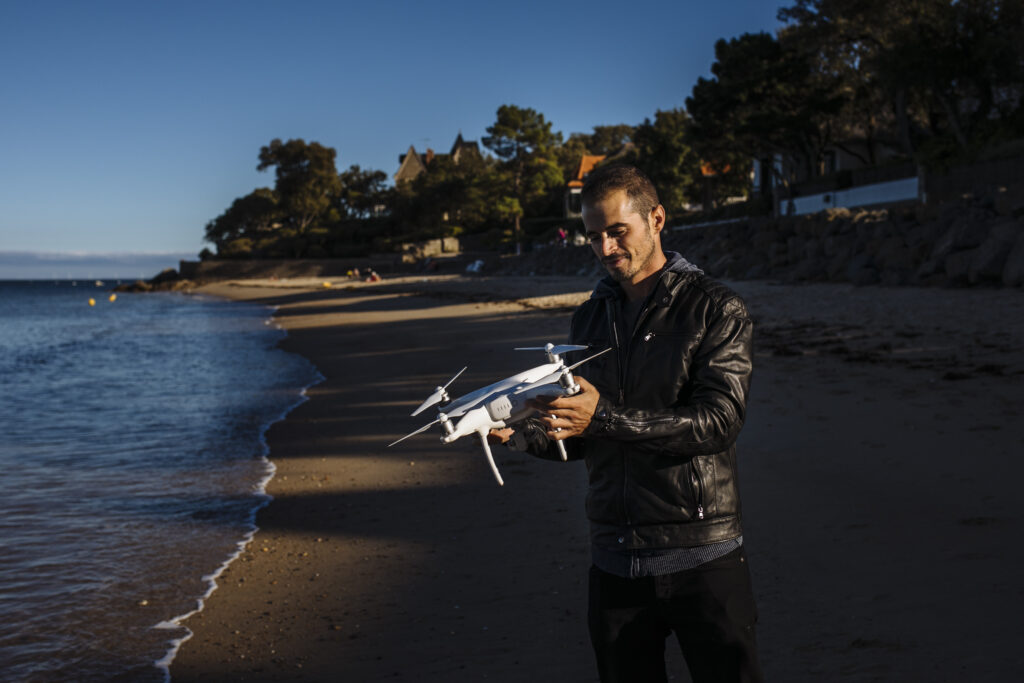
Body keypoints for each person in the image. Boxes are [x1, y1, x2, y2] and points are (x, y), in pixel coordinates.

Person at [495, 165, 762, 682]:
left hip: (702, 554)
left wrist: (605, 416)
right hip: (614, 559)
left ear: (656, 218)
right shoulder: (590, 318)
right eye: (594, 236)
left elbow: (718, 422)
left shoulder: (716, 308)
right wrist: (525, 436)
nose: (606, 247)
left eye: (618, 230)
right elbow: (585, 435)